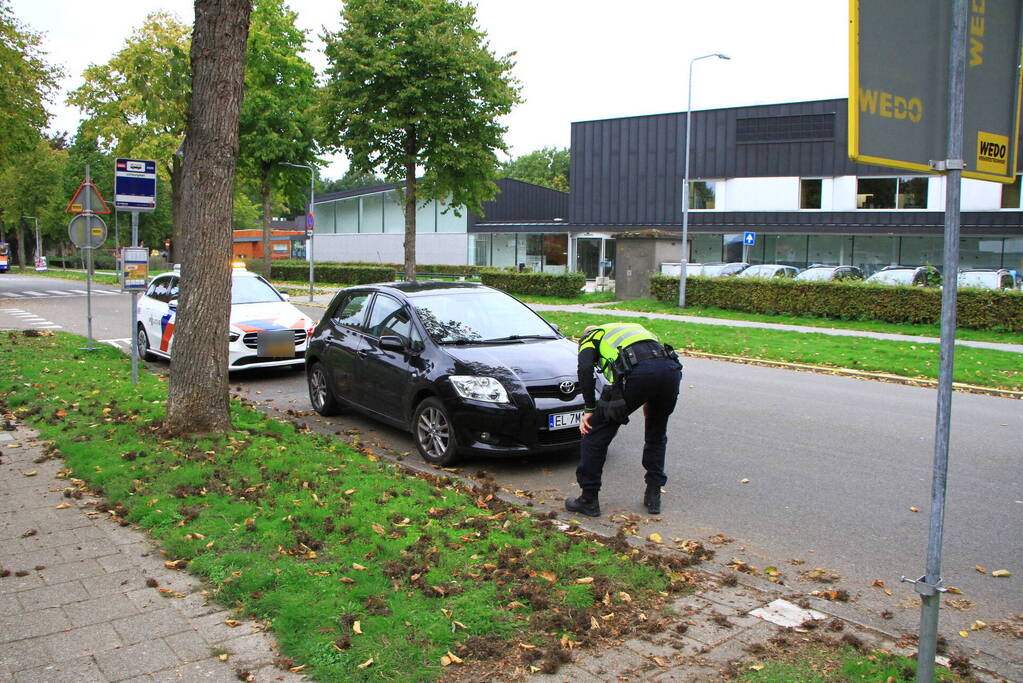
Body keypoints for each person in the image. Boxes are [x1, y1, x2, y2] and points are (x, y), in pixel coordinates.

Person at [565, 322, 683, 517]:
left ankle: (588, 500)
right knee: (656, 432)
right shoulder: (632, 328)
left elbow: (585, 369)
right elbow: (652, 362)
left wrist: (589, 408)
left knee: (594, 433)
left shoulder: (590, 337)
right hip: (670, 371)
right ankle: (654, 495)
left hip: (639, 375)